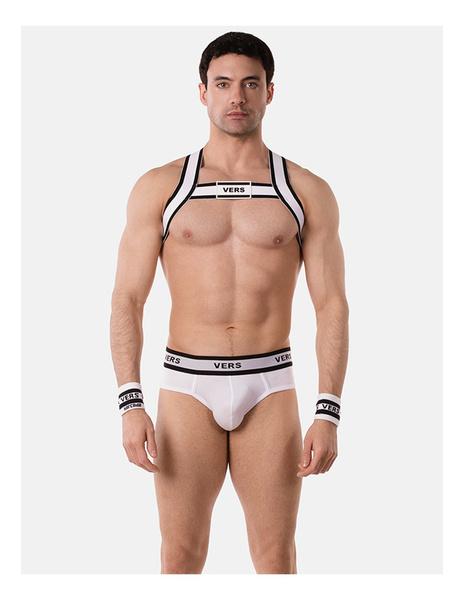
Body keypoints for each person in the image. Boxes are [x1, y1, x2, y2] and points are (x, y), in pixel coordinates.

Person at [110, 31, 349, 575]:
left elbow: (332, 305)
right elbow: (127, 298)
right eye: (222, 84)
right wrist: (130, 402)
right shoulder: (161, 186)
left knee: (275, 558)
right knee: (179, 557)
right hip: (187, 386)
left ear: (270, 91)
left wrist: (328, 410)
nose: (236, 97)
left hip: (270, 385)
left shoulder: (305, 190)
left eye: (250, 84)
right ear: (202, 92)